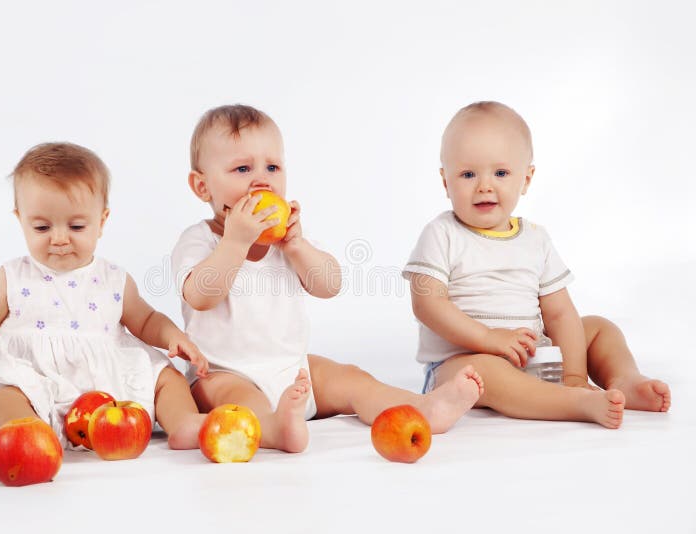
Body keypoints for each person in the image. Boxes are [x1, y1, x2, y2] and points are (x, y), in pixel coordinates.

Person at [172, 104, 484, 453]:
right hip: (223, 372)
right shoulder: (200, 240)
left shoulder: (288, 241)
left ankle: (421, 408)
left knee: (350, 378)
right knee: (237, 399)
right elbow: (200, 296)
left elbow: (329, 284)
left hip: (293, 368)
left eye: (272, 167)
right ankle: (274, 428)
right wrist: (235, 241)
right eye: (242, 168)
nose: (262, 179)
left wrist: (297, 247)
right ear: (202, 187)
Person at [404, 101, 671, 429]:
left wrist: (573, 372)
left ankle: (624, 379)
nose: (485, 185)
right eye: (468, 174)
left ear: (526, 179)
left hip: (533, 353)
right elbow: (427, 304)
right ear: (446, 182)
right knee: (482, 372)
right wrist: (488, 338)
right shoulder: (442, 233)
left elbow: (559, 313)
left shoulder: (535, 239)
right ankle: (574, 402)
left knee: (599, 327)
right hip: (462, 363)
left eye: (500, 173)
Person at [0, 142, 209, 460]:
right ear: (21, 219)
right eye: (41, 227)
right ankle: (27, 434)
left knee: (167, 377)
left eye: (76, 226)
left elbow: (146, 320)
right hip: (37, 378)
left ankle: (183, 423)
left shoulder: (114, 278)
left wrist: (173, 337)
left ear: (102, 220)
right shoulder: (12, 277)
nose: (58, 238)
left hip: (110, 382)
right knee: (2, 397)